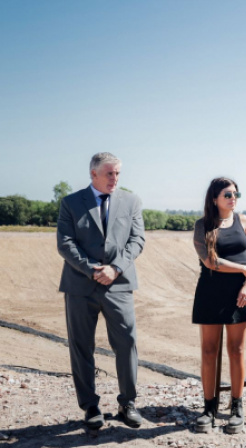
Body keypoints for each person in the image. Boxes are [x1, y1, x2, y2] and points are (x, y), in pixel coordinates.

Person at [56, 152, 146, 429]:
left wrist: (115, 268)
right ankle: (90, 406)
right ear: (93, 174)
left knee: (127, 343)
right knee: (81, 346)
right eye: (110, 173)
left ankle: (127, 403)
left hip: (119, 285)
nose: (115, 178)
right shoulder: (70, 203)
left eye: (118, 173)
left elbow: (137, 240)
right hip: (80, 285)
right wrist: (93, 269)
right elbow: (65, 243)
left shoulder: (131, 201)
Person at [192, 177, 246, 434]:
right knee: (209, 351)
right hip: (210, 291)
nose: (233, 198)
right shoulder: (202, 226)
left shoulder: (245, 221)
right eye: (228, 195)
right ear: (214, 198)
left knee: (236, 350)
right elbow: (210, 262)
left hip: (239, 292)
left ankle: (236, 407)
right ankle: (208, 408)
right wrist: (243, 270)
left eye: (235, 193)